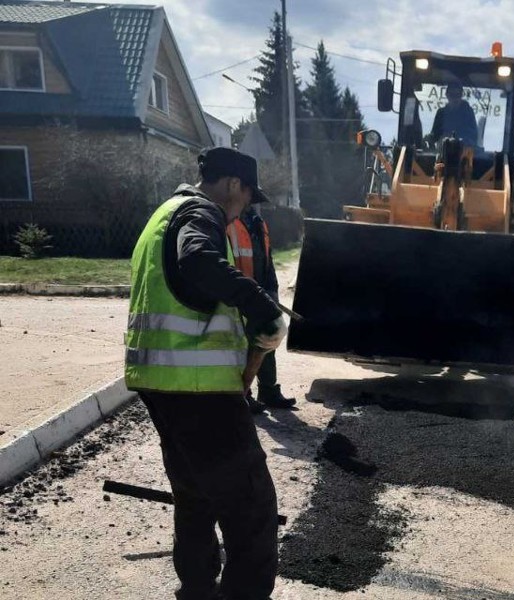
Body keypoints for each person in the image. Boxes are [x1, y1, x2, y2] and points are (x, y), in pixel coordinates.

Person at [125, 146, 286, 599]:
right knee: (251, 506)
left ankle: (197, 589)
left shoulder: (163, 215)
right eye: (247, 197)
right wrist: (259, 305)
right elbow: (196, 260)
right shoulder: (201, 213)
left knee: (195, 494)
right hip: (198, 387)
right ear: (233, 184)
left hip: (160, 382)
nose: (243, 211)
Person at [227, 206, 297, 414]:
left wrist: (273, 293)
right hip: (241, 294)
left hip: (262, 291)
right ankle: (243, 395)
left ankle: (268, 390)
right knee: (245, 345)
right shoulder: (229, 223)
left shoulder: (258, 223)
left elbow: (268, 261)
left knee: (268, 340)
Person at [429, 81, 478, 148]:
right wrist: (429, 139)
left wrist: (457, 139)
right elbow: (435, 135)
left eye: (458, 95)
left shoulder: (468, 113)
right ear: (447, 95)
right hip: (443, 152)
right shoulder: (441, 113)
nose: (455, 98)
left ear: (461, 95)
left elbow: (473, 136)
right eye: (452, 95)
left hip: (463, 154)